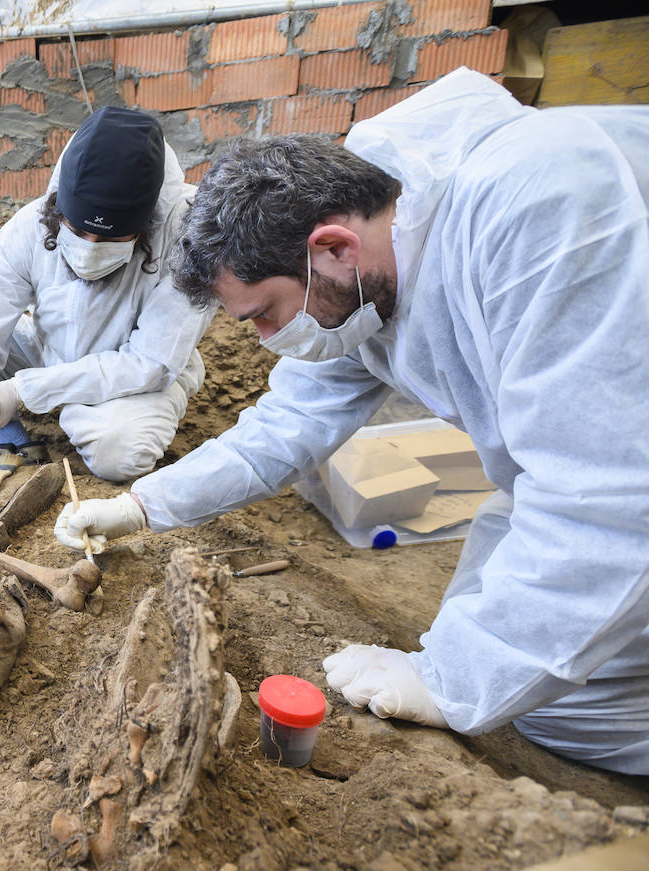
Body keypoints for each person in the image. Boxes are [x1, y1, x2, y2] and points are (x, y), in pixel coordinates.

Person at [54, 68, 649, 774]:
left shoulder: (539, 212)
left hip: (621, 466)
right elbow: (285, 428)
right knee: (499, 639)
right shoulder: (356, 272)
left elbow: (606, 494)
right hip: (569, 468)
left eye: (265, 315)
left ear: (332, 247)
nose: (268, 337)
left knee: (569, 708)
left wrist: (450, 680)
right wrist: (142, 506)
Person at [0, 106, 214, 483]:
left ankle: (79, 415)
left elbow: (149, 363)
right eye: (78, 230)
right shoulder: (30, 225)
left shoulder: (190, 238)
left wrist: (22, 390)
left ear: (146, 222)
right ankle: (14, 442)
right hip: (48, 350)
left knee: (119, 453)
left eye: (110, 238)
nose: (90, 247)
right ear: (59, 207)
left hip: (133, 377)